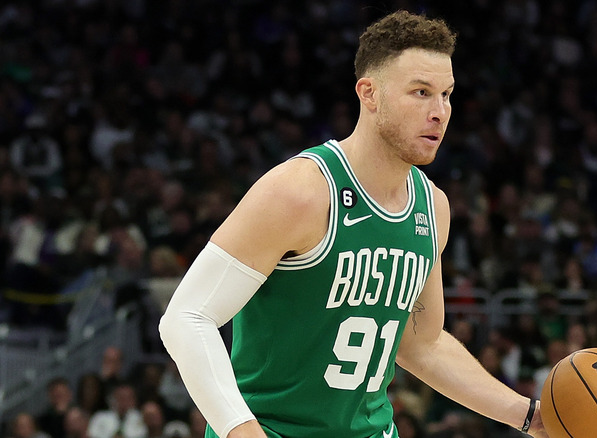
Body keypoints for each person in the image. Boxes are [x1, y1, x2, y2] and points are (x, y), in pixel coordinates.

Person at [159, 9, 547, 438]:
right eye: (420, 92)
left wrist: (528, 415)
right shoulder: (300, 192)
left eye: (447, 94)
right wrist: (241, 431)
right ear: (369, 93)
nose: (440, 111)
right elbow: (186, 317)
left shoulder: (432, 207)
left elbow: (423, 344)